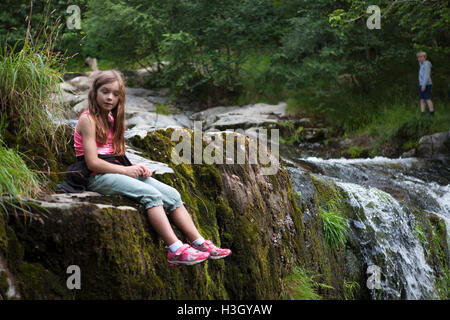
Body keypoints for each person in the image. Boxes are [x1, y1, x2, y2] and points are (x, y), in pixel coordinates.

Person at [72, 70, 231, 266]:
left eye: (115, 94)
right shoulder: (88, 120)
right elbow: (92, 162)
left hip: (114, 169)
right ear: (94, 92)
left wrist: (136, 167)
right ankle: (175, 249)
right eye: (105, 92)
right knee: (151, 195)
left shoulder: (111, 118)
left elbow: (115, 154)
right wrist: (126, 171)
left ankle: (199, 243)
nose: (110, 98)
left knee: (172, 195)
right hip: (96, 176)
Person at [416, 51, 434, 117]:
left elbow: (426, 76)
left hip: (427, 84)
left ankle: (432, 113)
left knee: (427, 98)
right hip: (421, 84)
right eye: (418, 57)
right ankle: (422, 113)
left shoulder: (426, 64)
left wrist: (424, 86)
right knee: (421, 99)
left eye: (421, 57)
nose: (419, 58)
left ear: (425, 57)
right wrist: (421, 85)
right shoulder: (421, 64)